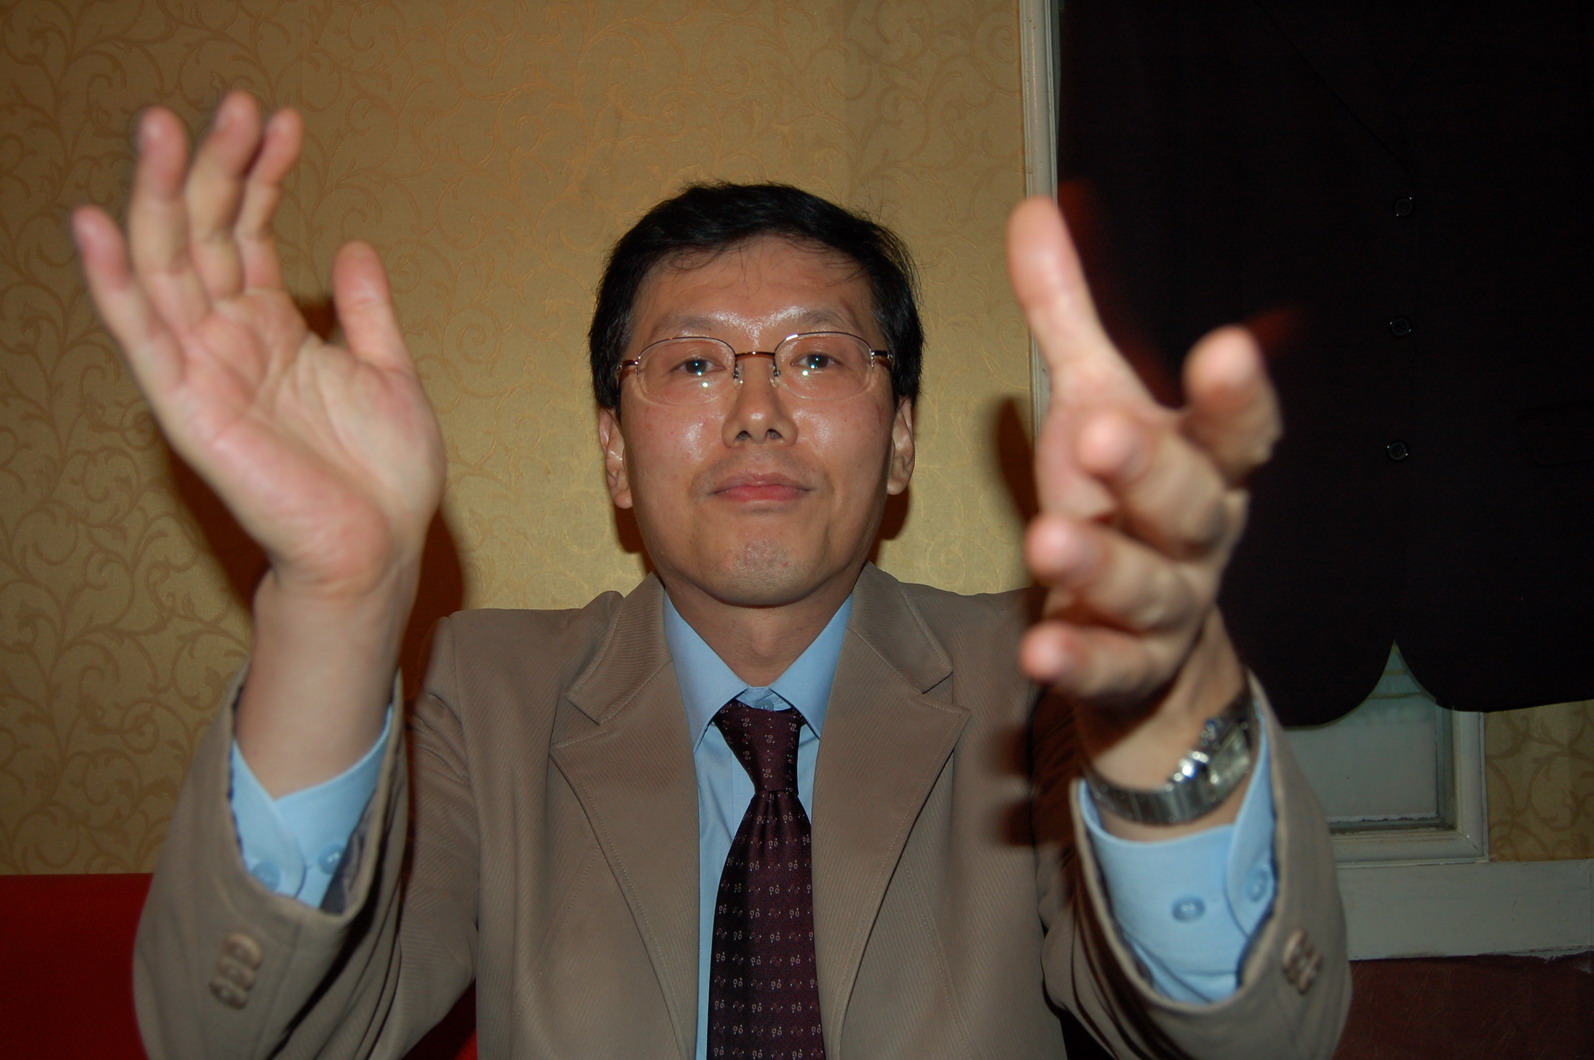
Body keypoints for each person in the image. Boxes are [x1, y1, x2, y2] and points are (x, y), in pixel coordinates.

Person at [73, 91, 1349, 1058]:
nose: (755, 410)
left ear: (902, 436)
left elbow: (1253, 1039)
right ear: (613, 452)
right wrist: (335, 603)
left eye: (817, 358)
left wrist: (1164, 702)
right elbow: (240, 1037)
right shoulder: (481, 695)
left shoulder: (1040, 683)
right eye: (692, 364)